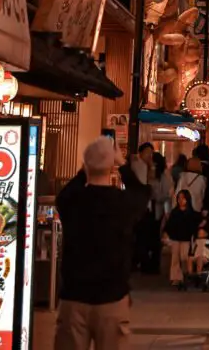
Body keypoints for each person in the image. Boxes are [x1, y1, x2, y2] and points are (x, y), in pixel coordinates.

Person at [54, 136, 151, 350]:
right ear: (112, 167)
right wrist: (122, 164)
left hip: (74, 296)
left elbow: (63, 195)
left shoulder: (72, 200)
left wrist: (85, 169)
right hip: (112, 297)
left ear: (85, 165)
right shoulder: (123, 203)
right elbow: (142, 193)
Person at [164, 190, 198, 289]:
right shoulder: (175, 212)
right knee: (175, 258)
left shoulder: (191, 213)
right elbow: (169, 225)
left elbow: (193, 226)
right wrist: (167, 234)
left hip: (186, 239)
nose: (180, 200)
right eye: (179, 198)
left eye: (183, 198)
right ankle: (176, 278)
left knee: (184, 257)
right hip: (175, 238)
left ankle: (185, 275)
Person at [131, 142, 154, 272]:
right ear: (141, 153)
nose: (149, 155)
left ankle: (140, 260)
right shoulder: (137, 165)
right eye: (147, 152)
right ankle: (138, 261)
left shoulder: (147, 166)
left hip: (145, 205)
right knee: (140, 235)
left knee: (143, 236)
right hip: (139, 206)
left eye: (151, 153)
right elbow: (144, 185)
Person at [148, 152, 172, 275]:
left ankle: (154, 264)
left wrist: (154, 196)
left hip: (157, 208)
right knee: (149, 236)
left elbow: (166, 195)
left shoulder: (163, 176)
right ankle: (149, 263)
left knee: (155, 236)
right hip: (149, 208)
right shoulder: (148, 174)